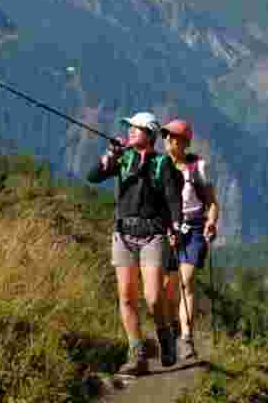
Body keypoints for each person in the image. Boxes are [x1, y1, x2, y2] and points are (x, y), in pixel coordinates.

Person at [86, 111, 186, 376]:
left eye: (136, 128)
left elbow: (173, 198)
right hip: (123, 234)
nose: (130, 131)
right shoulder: (123, 158)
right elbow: (93, 177)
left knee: (153, 297)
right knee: (127, 297)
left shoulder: (162, 163)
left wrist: (176, 226)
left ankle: (165, 335)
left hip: (153, 235)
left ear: (150, 134)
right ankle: (137, 355)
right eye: (129, 127)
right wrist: (110, 155)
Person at [157, 118, 218, 363]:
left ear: (185, 142)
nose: (168, 140)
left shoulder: (197, 167)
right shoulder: (158, 166)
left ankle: (186, 338)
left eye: (174, 136)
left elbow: (211, 202)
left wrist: (211, 222)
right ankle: (172, 329)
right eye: (166, 136)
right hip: (167, 230)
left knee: (187, 282)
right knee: (168, 289)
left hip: (193, 228)